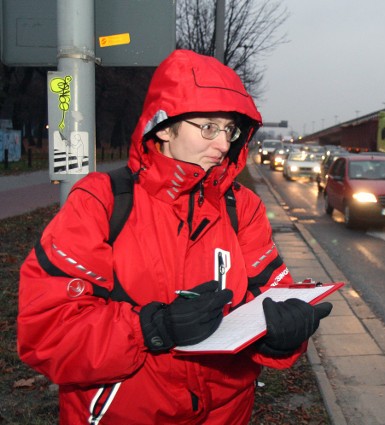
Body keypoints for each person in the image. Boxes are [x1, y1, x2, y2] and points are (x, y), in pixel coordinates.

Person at [17, 49, 332, 424]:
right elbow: (47, 333)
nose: (222, 144)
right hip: (124, 413)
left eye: (229, 130)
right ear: (164, 127)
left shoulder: (241, 207)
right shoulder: (101, 201)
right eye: (208, 127)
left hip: (226, 414)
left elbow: (267, 296)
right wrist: (151, 329)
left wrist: (283, 337)